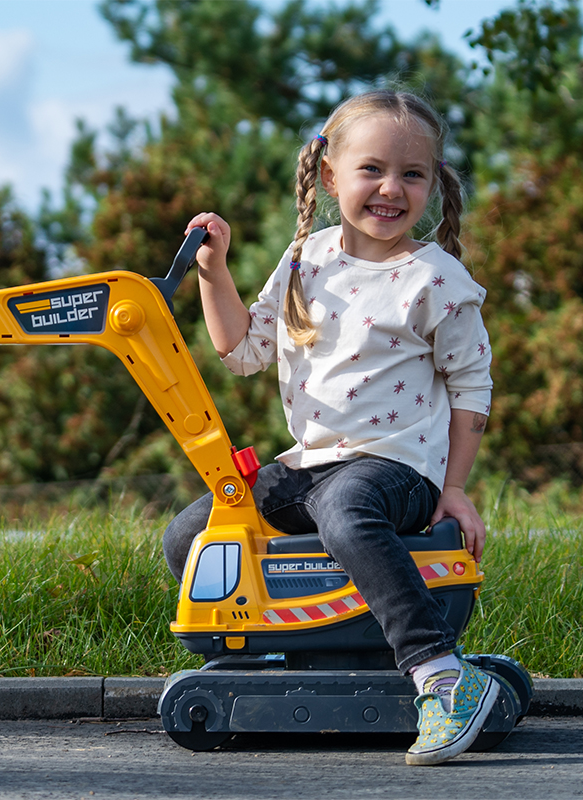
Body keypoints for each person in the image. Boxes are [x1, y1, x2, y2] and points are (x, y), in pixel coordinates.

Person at [163, 90, 498, 766]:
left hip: (394, 466)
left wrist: (454, 489)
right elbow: (242, 350)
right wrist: (213, 271)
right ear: (328, 176)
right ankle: (297, 652)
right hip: (311, 462)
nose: (391, 189)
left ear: (434, 184)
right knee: (194, 532)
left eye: (412, 174)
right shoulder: (304, 259)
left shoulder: (435, 278)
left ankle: (440, 673)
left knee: (348, 512)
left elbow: (471, 388)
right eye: (371, 169)